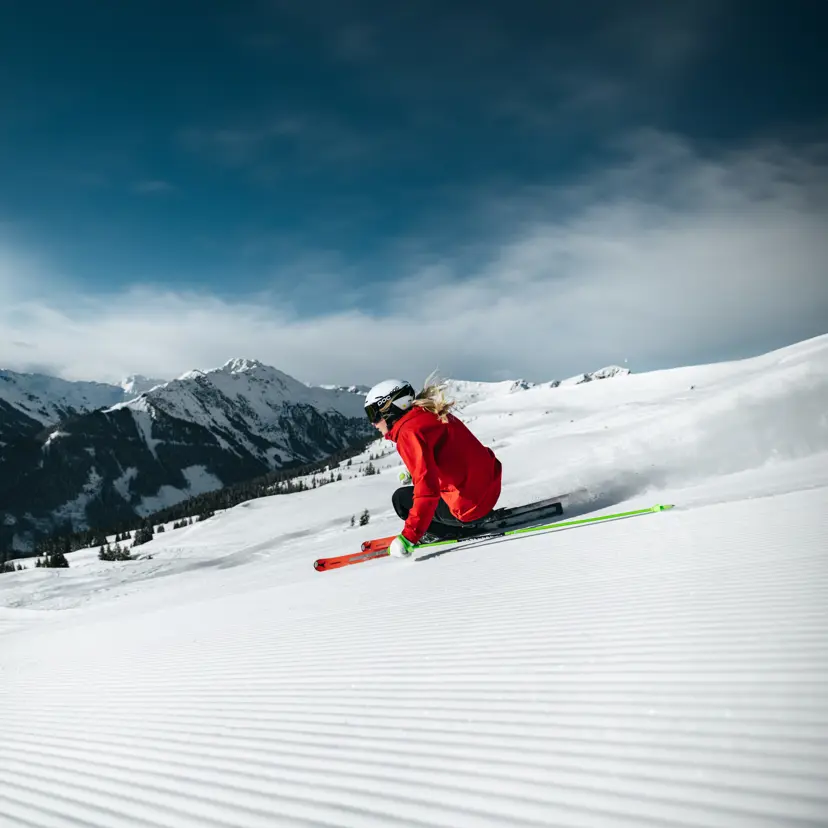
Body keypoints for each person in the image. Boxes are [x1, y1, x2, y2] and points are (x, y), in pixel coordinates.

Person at [363, 375, 502, 558]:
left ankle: (444, 531)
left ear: (391, 407)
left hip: (469, 509)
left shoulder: (408, 432)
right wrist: (414, 469)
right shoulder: (431, 413)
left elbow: (427, 491)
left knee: (401, 499)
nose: (373, 423)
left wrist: (408, 537)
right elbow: (453, 453)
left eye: (373, 414)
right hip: (489, 489)